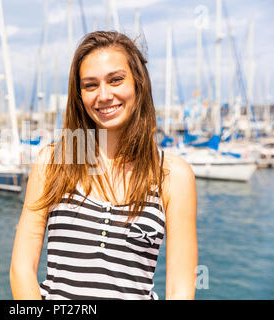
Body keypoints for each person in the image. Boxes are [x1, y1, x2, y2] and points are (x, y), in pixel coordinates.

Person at [10, 31, 197, 300]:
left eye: (116, 80)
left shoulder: (174, 176)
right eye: (90, 85)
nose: (104, 95)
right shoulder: (53, 162)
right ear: (80, 95)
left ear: (138, 84)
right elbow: (21, 269)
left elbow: (181, 288)